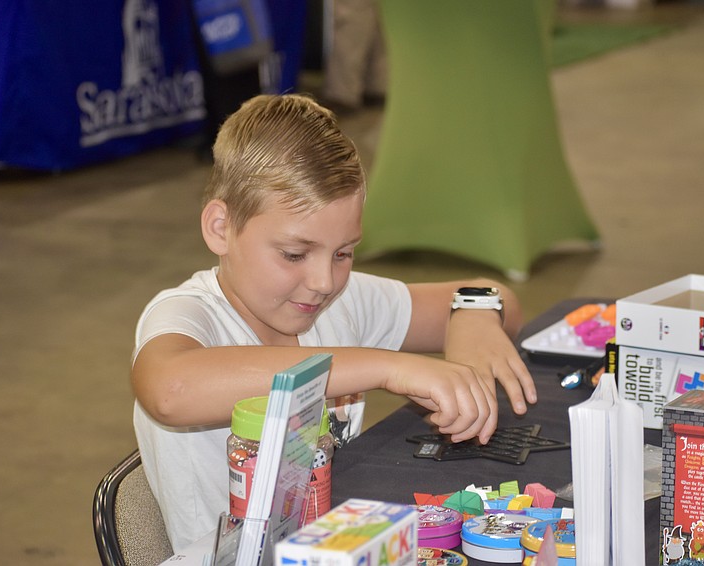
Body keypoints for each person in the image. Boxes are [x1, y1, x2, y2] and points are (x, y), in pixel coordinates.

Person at [130, 93, 537, 550]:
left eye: (344, 253)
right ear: (221, 228)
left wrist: (475, 319)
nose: (324, 281)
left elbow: (496, 297)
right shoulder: (188, 315)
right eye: (294, 254)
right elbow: (171, 391)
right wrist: (388, 367)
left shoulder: (338, 301)